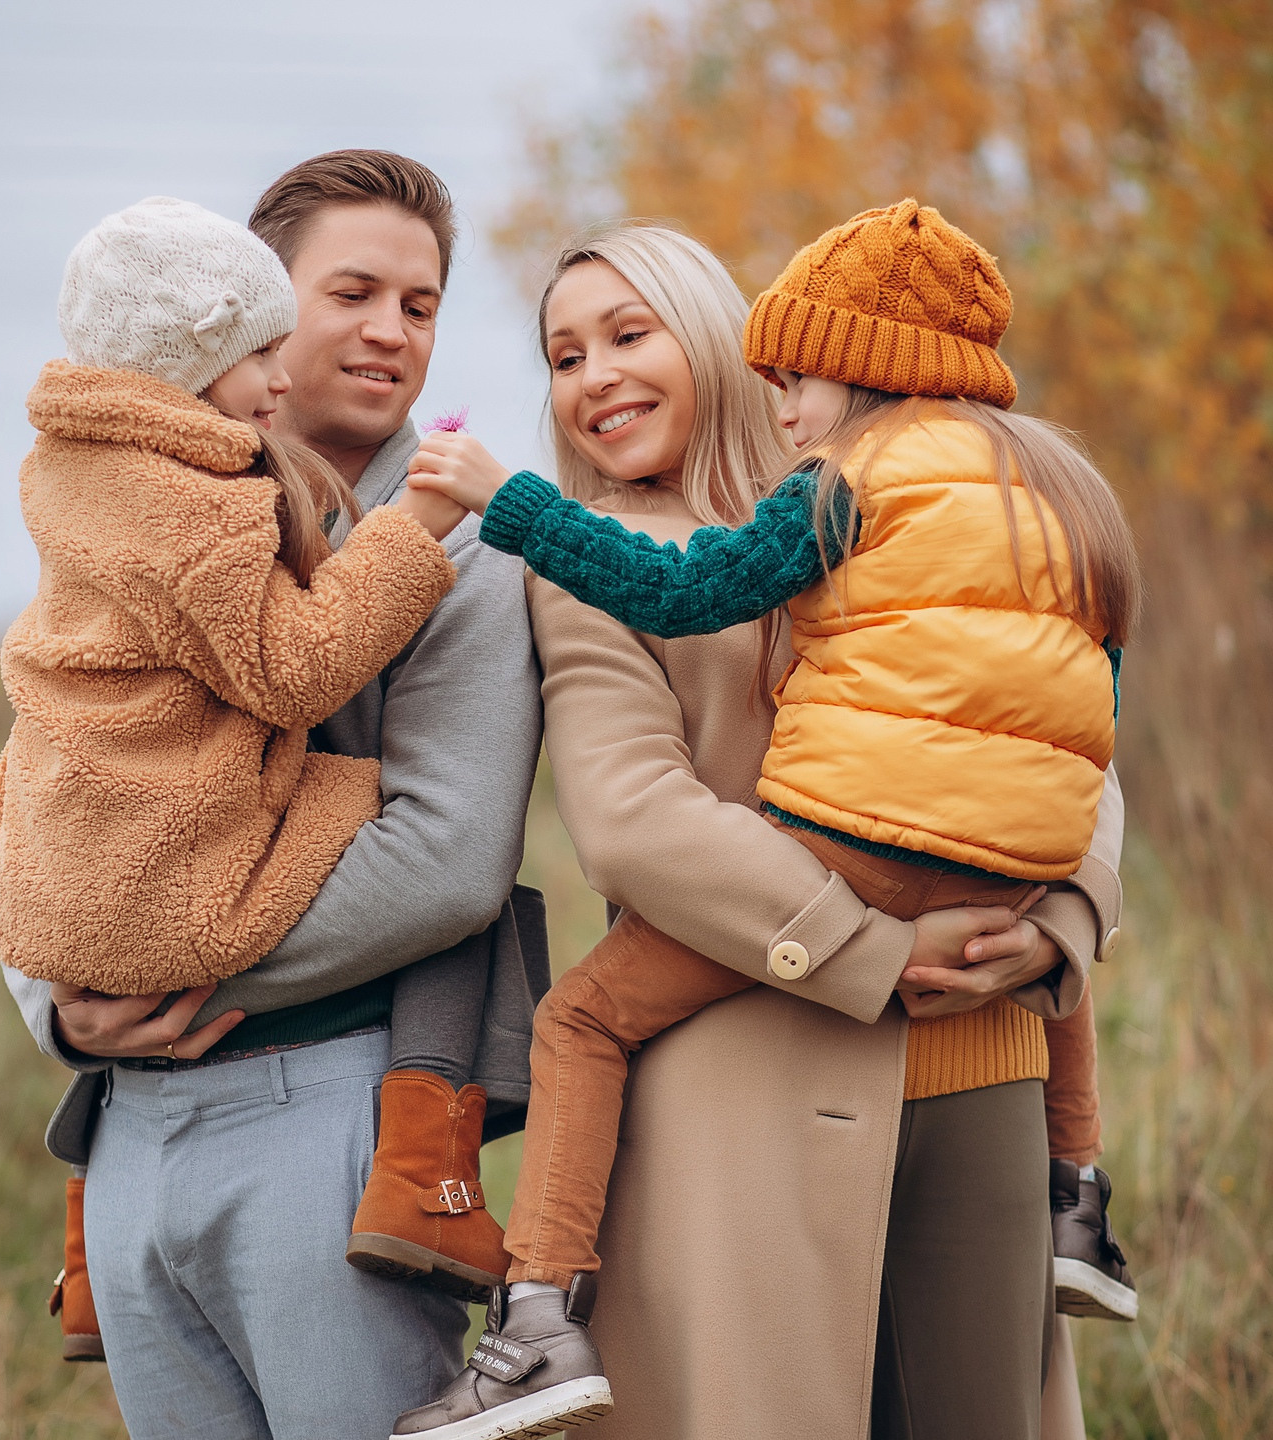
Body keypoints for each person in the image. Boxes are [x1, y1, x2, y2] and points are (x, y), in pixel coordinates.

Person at [394, 215, 1130, 1440]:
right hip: (755, 1095)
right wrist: (878, 952)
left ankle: (1077, 1197)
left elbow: (1067, 736)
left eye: (630, 334)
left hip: (988, 1063)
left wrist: (1060, 919)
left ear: (727, 348)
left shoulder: (884, 504)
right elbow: (636, 826)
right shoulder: (595, 568)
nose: (596, 379)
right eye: (564, 357)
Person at [3, 152, 546, 1439]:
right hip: (131, 1124)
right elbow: (56, 779)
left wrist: (179, 970)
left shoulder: (463, 545)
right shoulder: (136, 512)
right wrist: (65, 1009)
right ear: (254, 310)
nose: (390, 331)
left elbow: (449, 853)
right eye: (351, 291)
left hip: (331, 1108)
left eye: (420, 305)